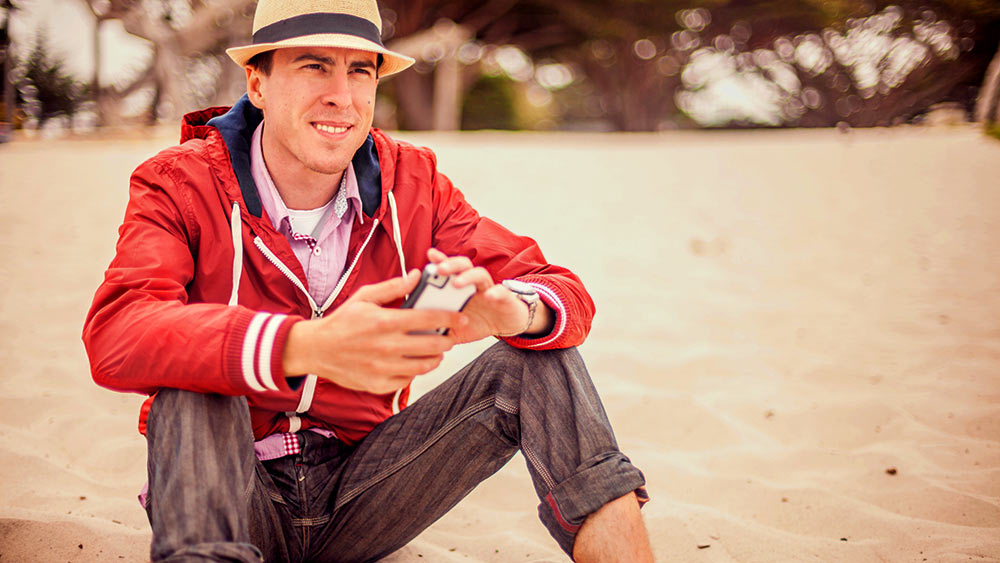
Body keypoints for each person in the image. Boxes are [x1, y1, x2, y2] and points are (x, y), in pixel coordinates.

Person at [82, 0, 651, 560]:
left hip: (365, 493)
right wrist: (301, 345)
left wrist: (515, 312)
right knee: (194, 373)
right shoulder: (179, 181)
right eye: (314, 66)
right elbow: (117, 332)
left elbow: (561, 289)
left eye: (360, 70)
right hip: (228, 493)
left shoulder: (415, 181)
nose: (343, 95)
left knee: (541, 355)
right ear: (257, 83)